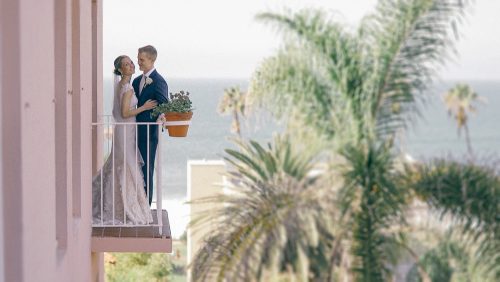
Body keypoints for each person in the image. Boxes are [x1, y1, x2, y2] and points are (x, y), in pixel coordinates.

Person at [92, 55, 157, 224]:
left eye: (131, 62)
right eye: (126, 64)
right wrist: (144, 107)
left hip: (124, 131)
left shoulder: (121, 85)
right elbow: (124, 113)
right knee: (127, 164)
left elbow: (117, 114)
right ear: (120, 69)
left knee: (121, 163)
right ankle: (126, 206)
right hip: (126, 131)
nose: (131, 65)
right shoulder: (127, 88)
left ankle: (115, 202)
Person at [132, 45, 168, 205]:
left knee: (147, 170)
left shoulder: (159, 81)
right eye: (138, 58)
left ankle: (146, 207)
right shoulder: (136, 81)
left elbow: (165, 105)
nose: (138, 62)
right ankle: (133, 204)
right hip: (132, 132)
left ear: (152, 60)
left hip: (148, 134)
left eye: (142, 59)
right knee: (133, 170)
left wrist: (160, 116)